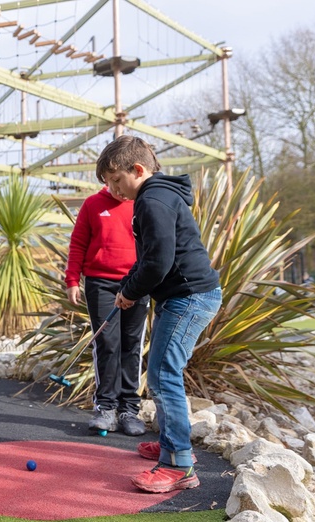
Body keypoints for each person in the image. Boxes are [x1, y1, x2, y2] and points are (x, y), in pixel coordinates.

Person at [98, 135, 221, 494]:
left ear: (137, 169)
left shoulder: (152, 201)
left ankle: (178, 464)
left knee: (164, 373)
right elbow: (150, 258)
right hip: (186, 295)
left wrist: (132, 292)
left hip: (189, 296)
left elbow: (159, 262)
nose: (114, 190)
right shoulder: (159, 195)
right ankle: (171, 443)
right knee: (163, 371)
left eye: (116, 180)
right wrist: (128, 287)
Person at [64, 185, 149, 437]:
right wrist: (71, 279)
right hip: (100, 282)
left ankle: (129, 410)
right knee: (107, 343)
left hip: (138, 281)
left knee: (132, 345)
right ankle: (106, 408)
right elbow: (78, 243)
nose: (120, 191)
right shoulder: (92, 204)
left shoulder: (143, 203)